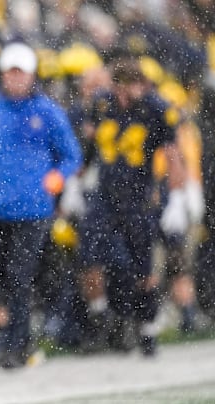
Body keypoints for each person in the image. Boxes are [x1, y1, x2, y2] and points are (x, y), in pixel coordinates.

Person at [0, 41, 82, 368]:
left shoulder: (48, 112)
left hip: (32, 209)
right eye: (10, 73)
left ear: (31, 75)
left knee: (19, 277)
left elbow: (70, 155)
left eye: (20, 73)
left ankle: (17, 345)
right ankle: (9, 338)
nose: (15, 79)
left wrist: (56, 179)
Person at [76, 53, 188, 356]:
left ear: (142, 84)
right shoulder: (102, 103)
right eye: (121, 86)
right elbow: (88, 145)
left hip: (140, 198)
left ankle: (147, 327)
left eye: (132, 86)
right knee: (88, 254)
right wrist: (77, 180)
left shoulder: (156, 109)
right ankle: (101, 314)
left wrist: (177, 198)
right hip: (105, 193)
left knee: (143, 268)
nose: (126, 94)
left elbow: (175, 155)